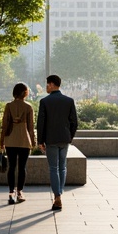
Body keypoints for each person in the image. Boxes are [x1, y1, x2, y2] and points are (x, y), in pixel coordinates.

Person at [36, 74, 78, 211]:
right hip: (64, 139)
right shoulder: (69, 101)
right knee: (62, 167)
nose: (46, 87)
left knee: (53, 168)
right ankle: (59, 193)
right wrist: (69, 137)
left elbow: (41, 123)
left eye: (47, 84)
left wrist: (40, 141)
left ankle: (57, 196)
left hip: (51, 139)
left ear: (52, 84)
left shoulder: (45, 102)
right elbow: (74, 123)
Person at [0, 82, 36, 205]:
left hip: (10, 140)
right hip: (24, 140)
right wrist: (33, 140)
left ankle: (11, 193)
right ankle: (20, 192)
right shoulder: (28, 107)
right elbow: (31, 127)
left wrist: (1, 141)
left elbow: (4, 125)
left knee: (11, 167)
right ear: (23, 93)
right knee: (22, 167)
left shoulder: (9, 106)